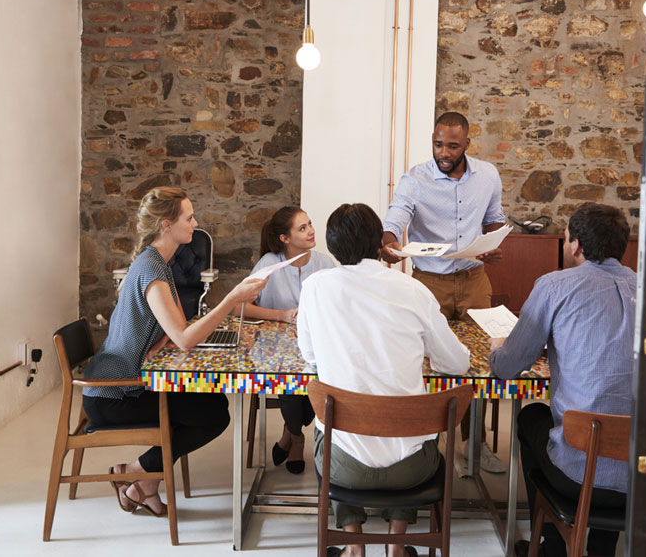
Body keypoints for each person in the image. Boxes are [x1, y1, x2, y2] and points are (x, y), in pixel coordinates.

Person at [489, 203, 646, 557]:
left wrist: (497, 348)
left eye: (566, 239)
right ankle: (600, 546)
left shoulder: (554, 286)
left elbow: (507, 369)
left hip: (584, 474)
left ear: (575, 245)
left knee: (531, 417)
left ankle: (551, 545)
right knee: (618, 420)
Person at [298, 203, 470, 557]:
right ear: (380, 243)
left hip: (342, 466)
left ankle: (353, 544)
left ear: (332, 246)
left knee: (331, 422)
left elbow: (311, 356)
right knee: (408, 424)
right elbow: (456, 364)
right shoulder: (413, 289)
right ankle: (395, 542)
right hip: (413, 469)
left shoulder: (315, 287)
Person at [83, 186, 267, 517]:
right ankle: (138, 473)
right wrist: (231, 300)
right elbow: (184, 337)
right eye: (189, 217)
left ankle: (144, 485)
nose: (195, 223)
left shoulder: (158, 262)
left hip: (126, 382)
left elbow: (179, 325)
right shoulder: (152, 269)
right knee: (213, 415)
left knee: (211, 405)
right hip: (113, 395)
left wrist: (159, 342)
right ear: (166, 224)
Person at [379, 111, 507, 474]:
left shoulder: (487, 176)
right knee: (426, 362)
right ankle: (427, 444)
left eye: (452, 145)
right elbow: (395, 219)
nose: (444, 152)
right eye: (438, 144)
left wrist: (494, 241)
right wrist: (389, 244)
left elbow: (494, 217)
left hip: (475, 279)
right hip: (428, 283)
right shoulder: (415, 179)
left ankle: (475, 446)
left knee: (479, 362)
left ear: (467, 143)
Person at [242, 206, 336, 474]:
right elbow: (241, 307)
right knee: (290, 385)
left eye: (310, 224)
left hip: (317, 348)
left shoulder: (326, 264)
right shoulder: (269, 264)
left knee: (316, 383)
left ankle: (289, 433)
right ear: (285, 238)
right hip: (276, 351)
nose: (311, 231)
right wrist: (281, 315)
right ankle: (297, 439)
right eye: (302, 228)